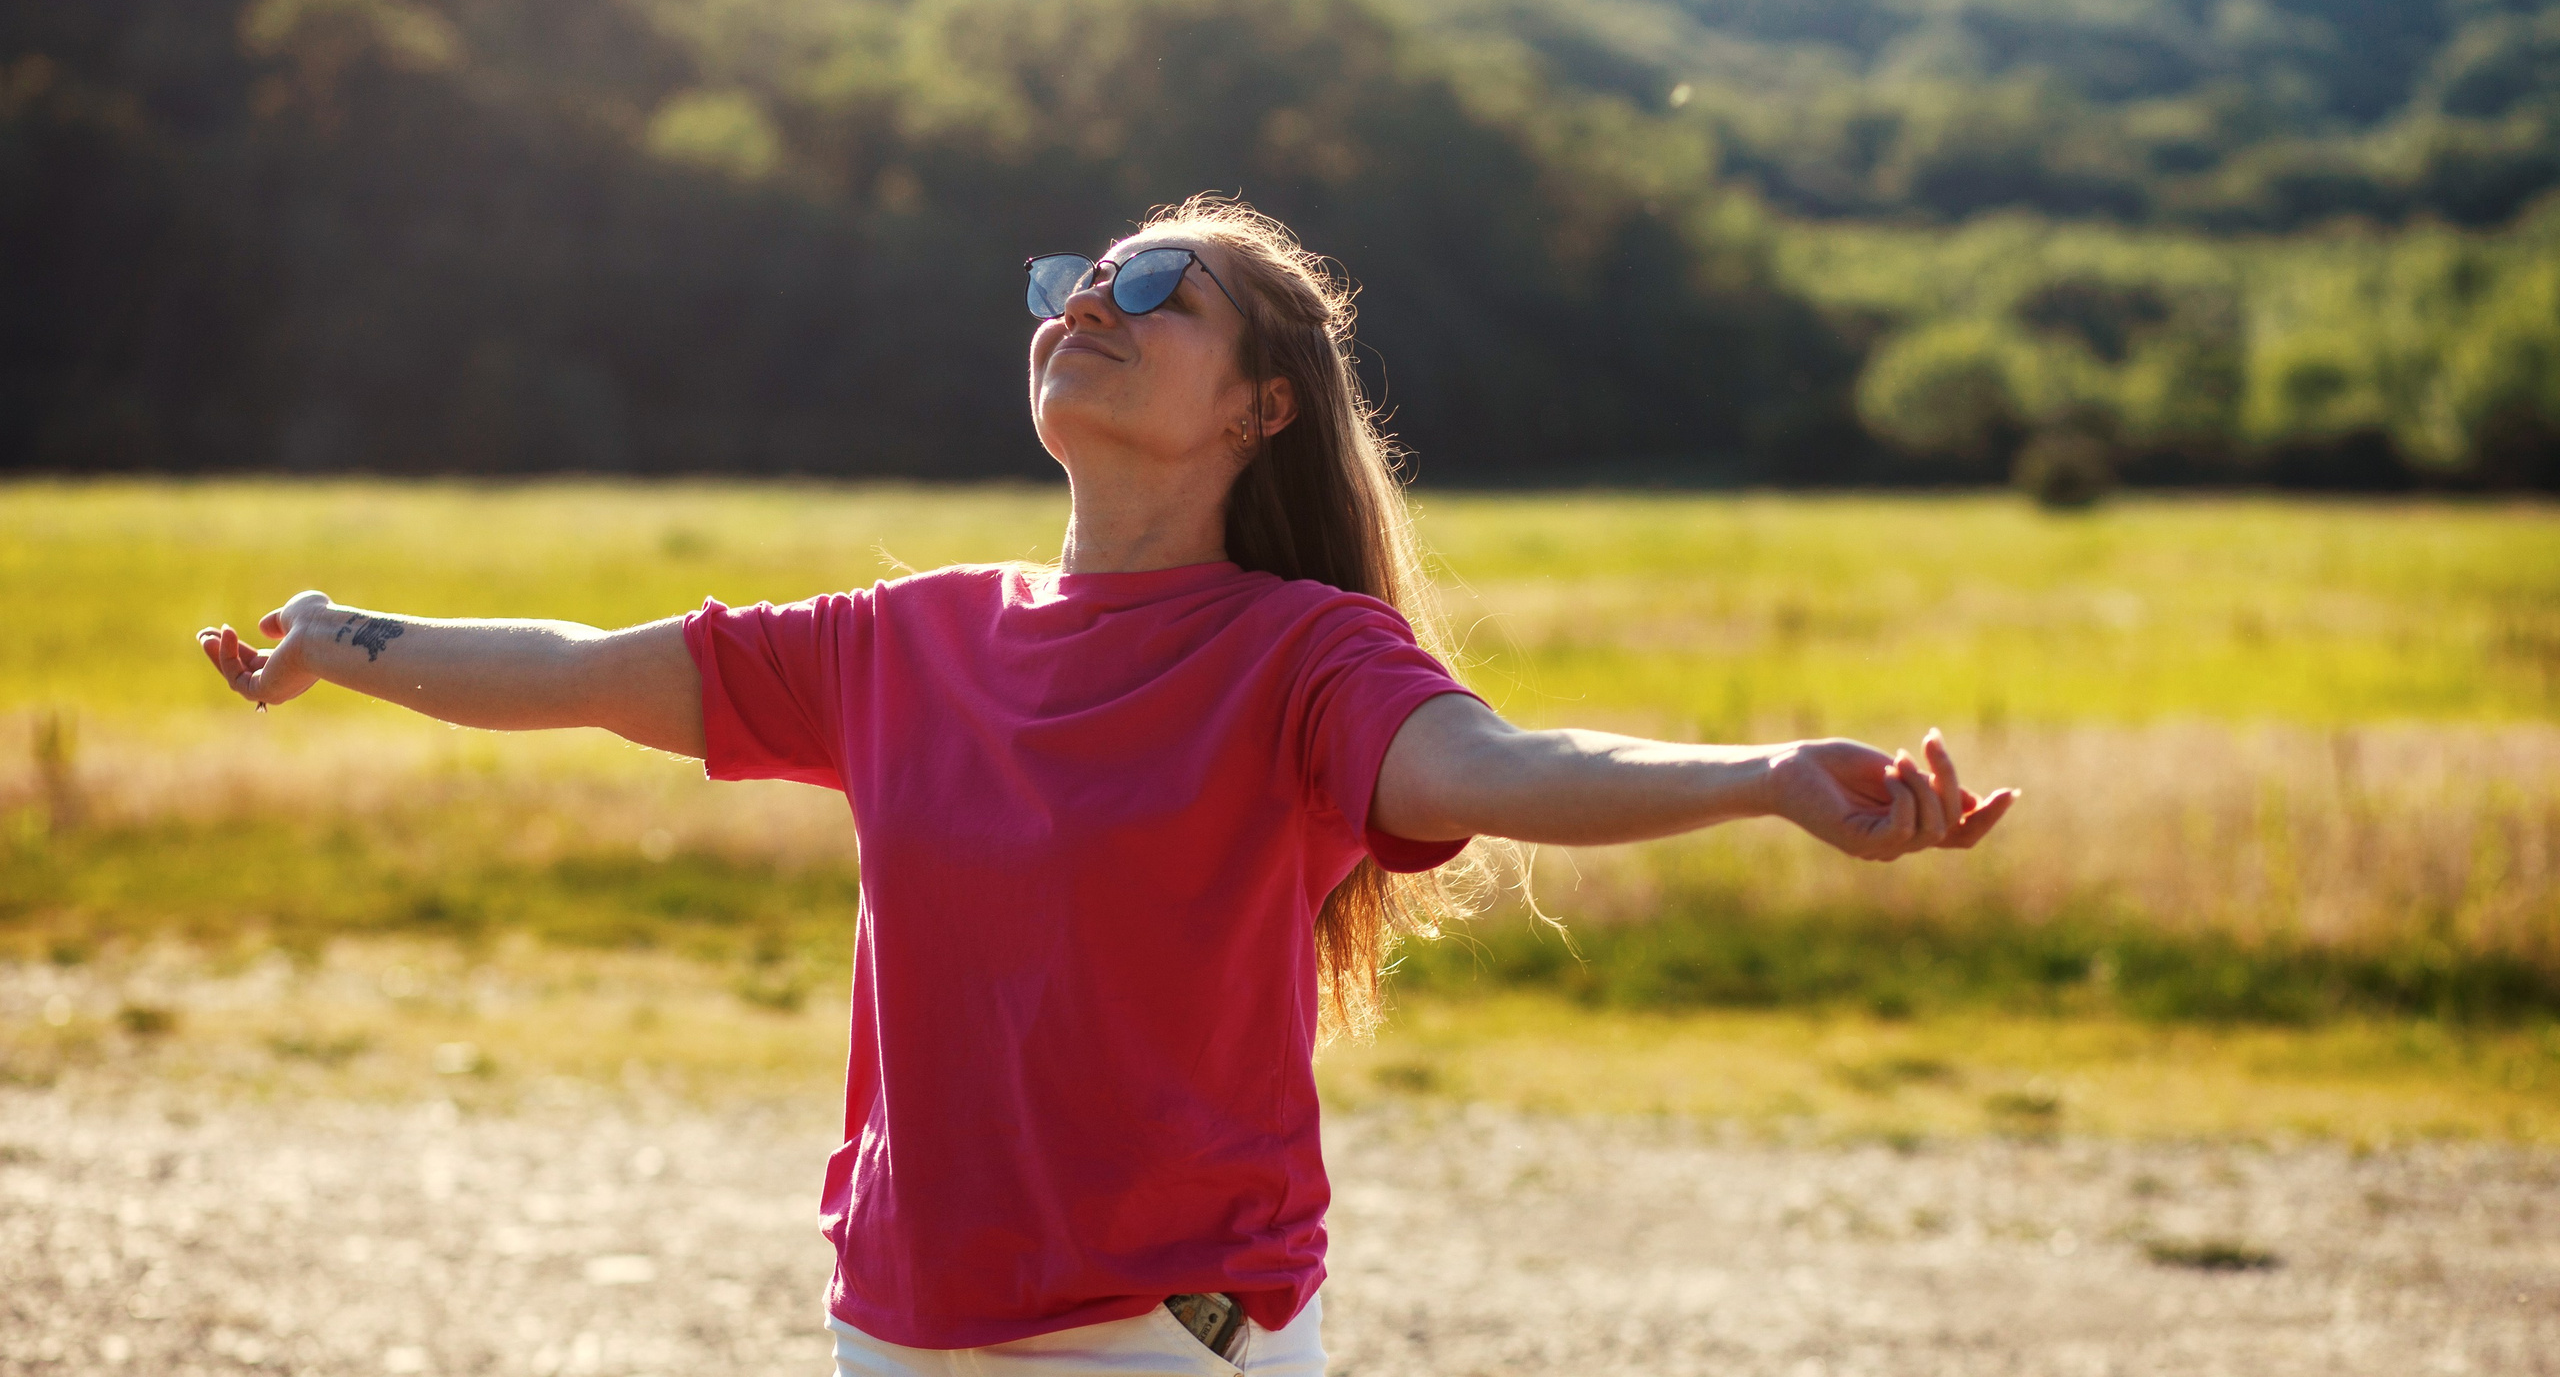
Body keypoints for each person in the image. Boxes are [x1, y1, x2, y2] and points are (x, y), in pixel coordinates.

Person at [197, 195, 2015, 1376]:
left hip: (1154, 1340)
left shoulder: (1301, 656)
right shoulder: (903, 640)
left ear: (1261, 409)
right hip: (896, 1329)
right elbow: (588, 672)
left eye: (1158, 290)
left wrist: (1763, 777)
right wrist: (345, 635)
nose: (1092, 299)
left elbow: (1503, 762)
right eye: (1079, 278)